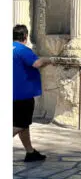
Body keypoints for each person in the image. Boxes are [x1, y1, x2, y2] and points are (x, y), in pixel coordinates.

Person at [13, 24, 51, 162]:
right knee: (20, 124)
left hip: (12, 94)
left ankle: (30, 152)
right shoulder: (22, 50)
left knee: (23, 124)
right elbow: (36, 63)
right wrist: (49, 60)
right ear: (25, 36)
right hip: (23, 95)